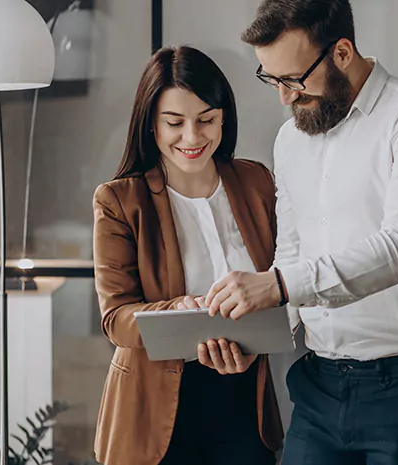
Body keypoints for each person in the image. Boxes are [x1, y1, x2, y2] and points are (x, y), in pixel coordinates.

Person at [202, 1, 398, 463]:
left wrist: (278, 286)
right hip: (319, 388)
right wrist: (259, 338)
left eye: (293, 79)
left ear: (343, 53)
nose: (284, 97)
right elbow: (292, 249)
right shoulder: (291, 140)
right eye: (272, 80)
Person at [91, 45, 283, 465]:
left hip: (243, 400)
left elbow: (284, 278)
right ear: (151, 125)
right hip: (152, 410)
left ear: (223, 117)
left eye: (206, 120)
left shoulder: (255, 182)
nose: (193, 137)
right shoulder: (121, 200)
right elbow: (116, 319)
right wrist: (176, 310)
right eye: (175, 123)